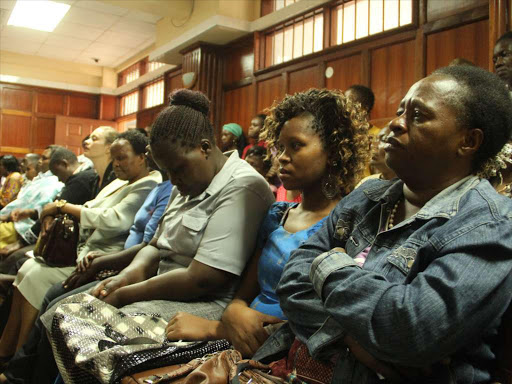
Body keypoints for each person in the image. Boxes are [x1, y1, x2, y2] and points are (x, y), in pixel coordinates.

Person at [255, 66, 512, 383]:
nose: (395, 124)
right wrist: (351, 339)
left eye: (418, 116)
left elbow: (411, 327)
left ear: (468, 141)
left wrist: (327, 265)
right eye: (400, 110)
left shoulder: (490, 223)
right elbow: (292, 280)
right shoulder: (368, 197)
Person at [165, 88, 369, 358]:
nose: (281, 157)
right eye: (280, 147)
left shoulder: (347, 227)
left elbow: (324, 327)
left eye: (296, 146)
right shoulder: (278, 215)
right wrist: (235, 310)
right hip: (240, 337)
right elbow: (243, 296)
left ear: (333, 152)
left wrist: (216, 329)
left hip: (288, 353)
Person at [0, 130, 161, 360]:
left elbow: (113, 218)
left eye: (122, 158)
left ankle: (18, 358)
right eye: (114, 159)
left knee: (36, 276)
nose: (116, 164)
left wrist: (61, 206)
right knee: (28, 268)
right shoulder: (121, 181)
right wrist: (62, 209)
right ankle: (7, 347)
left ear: (142, 157)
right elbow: (91, 206)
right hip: (85, 249)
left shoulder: (148, 183)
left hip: (104, 256)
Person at [0, 146, 63, 250]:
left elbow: (42, 208)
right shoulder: (40, 179)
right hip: (9, 219)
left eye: (44, 158)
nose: (39, 161)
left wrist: (8, 217)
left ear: (56, 162)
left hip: (18, 226)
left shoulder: (53, 183)